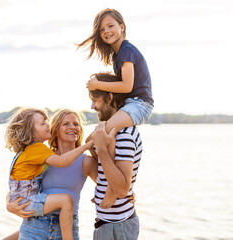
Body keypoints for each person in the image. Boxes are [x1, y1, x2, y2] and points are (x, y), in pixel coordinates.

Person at [77, 8, 153, 208]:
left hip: (140, 104)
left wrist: (97, 85)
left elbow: (127, 86)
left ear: (122, 27)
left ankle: (114, 192)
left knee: (107, 131)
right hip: (130, 103)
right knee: (93, 141)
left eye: (110, 26)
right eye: (102, 29)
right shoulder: (116, 55)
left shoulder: (127, 50)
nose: (106, 31)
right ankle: (109, 184)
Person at [5, 108, 94, 240]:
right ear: (55, 129)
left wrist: (126, 193)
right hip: (35, 225)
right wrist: (9, 203)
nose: (72, 127)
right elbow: (20, 183)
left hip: (65, 228)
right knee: (66, 200)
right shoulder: (43, 156)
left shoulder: (84, 161)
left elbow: (109, 186)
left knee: (65, 200)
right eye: (66, 124)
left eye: (76, 124)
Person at [88, 72, 142, 240]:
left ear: (109, 97)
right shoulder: (109, 129)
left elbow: (121, 189)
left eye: (95, 100)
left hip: (118, 227)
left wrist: (102, 149)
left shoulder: (124, 134)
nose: (92, 106)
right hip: (109, 224)